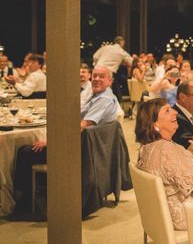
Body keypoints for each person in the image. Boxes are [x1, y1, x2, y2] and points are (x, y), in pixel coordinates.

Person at [12, 66, 119, 214]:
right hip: (80, 146)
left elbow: (82, 125)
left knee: (24, 152)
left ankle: (26, 202)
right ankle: (39, 193)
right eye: (94, 76)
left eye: (101, 77)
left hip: (78, 152)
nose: (96, 79)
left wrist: (52, 142)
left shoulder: (104, 100)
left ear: (110, 81)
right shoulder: (99, 96)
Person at [135, 99, 193, 231]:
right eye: (167, 111)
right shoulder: (166, 150)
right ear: (155, 125)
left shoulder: (148, 148)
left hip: (163, 215)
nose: (175, 112)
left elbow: (174, 167)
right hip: (187, 215)